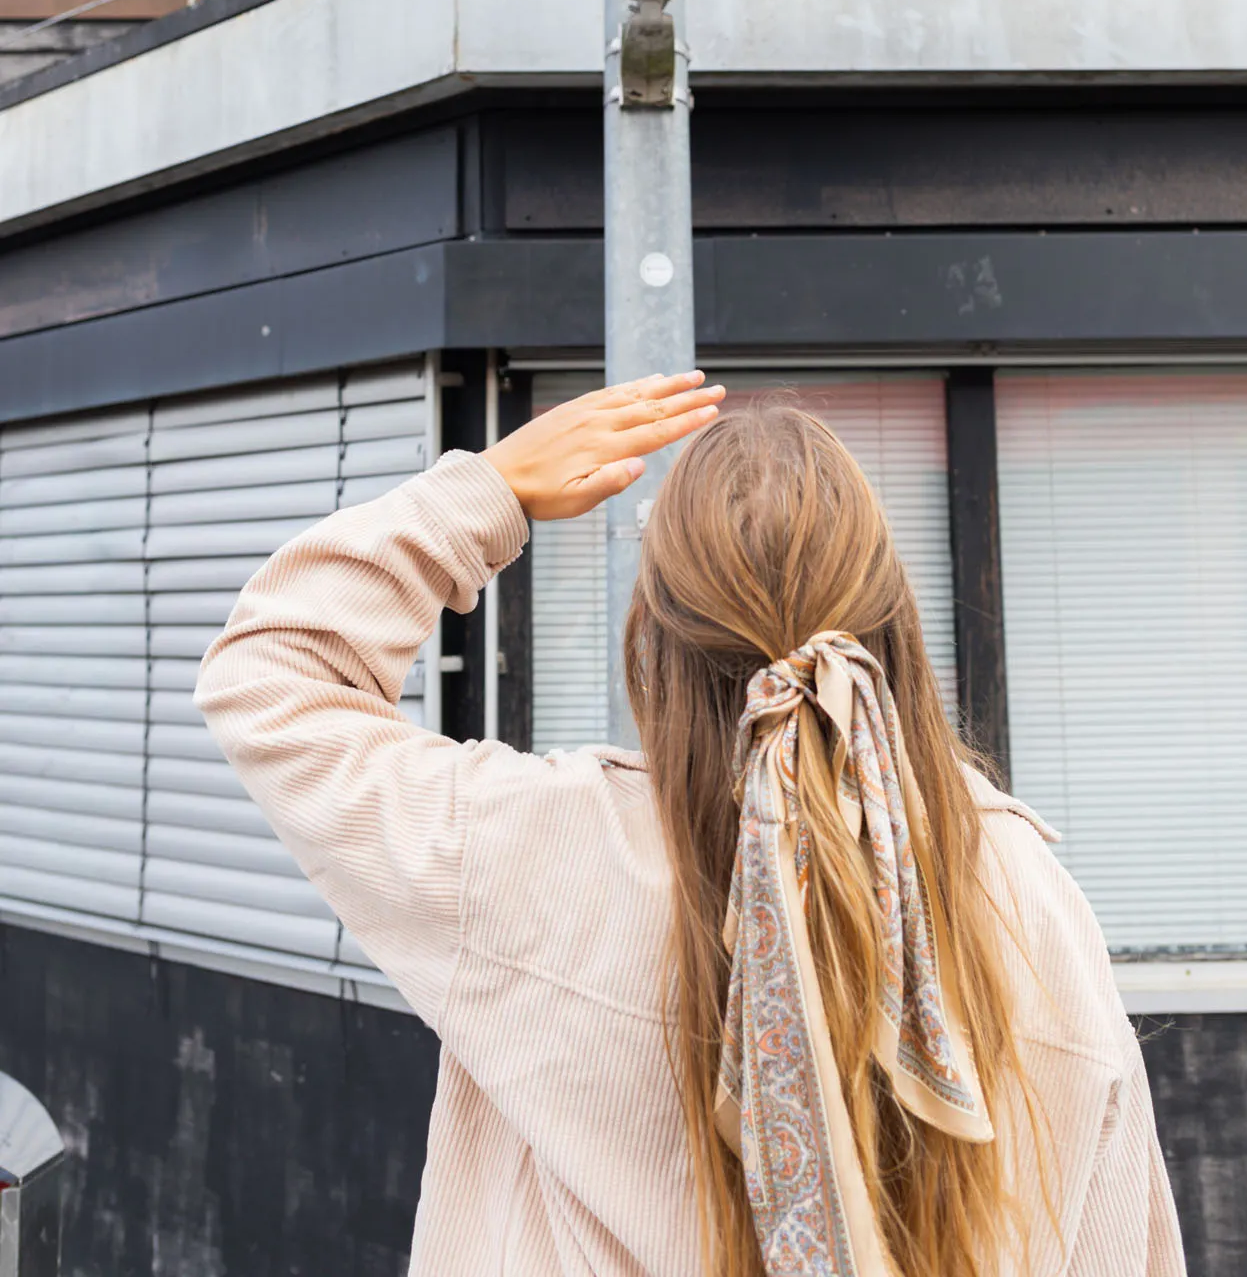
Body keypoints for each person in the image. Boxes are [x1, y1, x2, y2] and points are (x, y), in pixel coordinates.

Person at [196, 370, 1185, 1277]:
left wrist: (488, 489)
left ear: (651, 638)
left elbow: (271, 675)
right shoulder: (1023, 895)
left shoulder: (533, 849)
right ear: (892, 622)